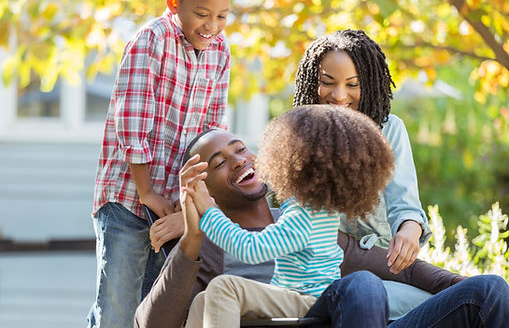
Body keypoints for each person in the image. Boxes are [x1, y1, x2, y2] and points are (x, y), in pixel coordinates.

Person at [135, 128, 469, 328]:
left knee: (487, 291)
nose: (238, 160)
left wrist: (459, 285)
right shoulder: (206, 246)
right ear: (203, 189)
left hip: (322, 314)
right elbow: (154, 324)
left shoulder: (301, 220)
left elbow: (398, 267)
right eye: (219, 163)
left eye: (240, 150)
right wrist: (193, 236)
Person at [88, 0, 231, 327]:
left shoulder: (220, 50)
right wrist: (147, 191)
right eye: (202, 14)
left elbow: (213, 131)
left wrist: (191, 202)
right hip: (127, 199)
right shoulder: (152, 40)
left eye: (222, 16)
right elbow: (132, 121)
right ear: (173, 2)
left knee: (156, 309)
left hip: (173, 206)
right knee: (117, 309)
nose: (211, 26)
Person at [183, 105, 395, 327]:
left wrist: (208, 212)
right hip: (297, 297)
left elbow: (250, 249)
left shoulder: (305, 215)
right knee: (203, 300)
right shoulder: (314, 208)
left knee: (223, 287)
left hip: (307, 302)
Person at [294, 29, 429, 274]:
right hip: (319, 269)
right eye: (327, 83)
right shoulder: (297, 134)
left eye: (352, 85)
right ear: (312, 82)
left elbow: (405, 205)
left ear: (369, 84)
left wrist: (410, 227)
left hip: (381, 262)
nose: (339, 95)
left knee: (462, 291)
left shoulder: (389, 130)